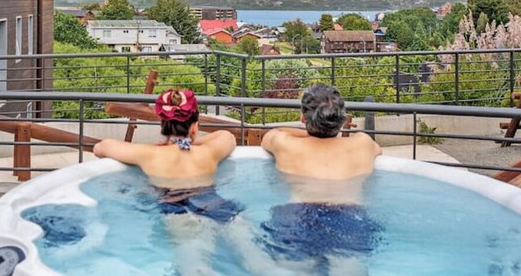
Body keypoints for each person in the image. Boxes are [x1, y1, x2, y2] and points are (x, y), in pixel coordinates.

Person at [94, 89, 244, 275]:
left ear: (163, 125)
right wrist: (188, 142)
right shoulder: (208, 152)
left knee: (196, 269)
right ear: (195, 126)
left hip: (178, 210)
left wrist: (165, 145)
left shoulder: (150, 155)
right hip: (217, 204)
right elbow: (227, 136)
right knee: (260, 263)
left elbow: (101, 147)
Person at [259, 83, 383, 275]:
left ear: (303, 118)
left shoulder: (285, 144)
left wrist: (310, 130)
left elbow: (272, 134)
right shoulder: (363, 143)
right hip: (348, 218)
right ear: (342, 120)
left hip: (298, 217)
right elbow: (378, 151)